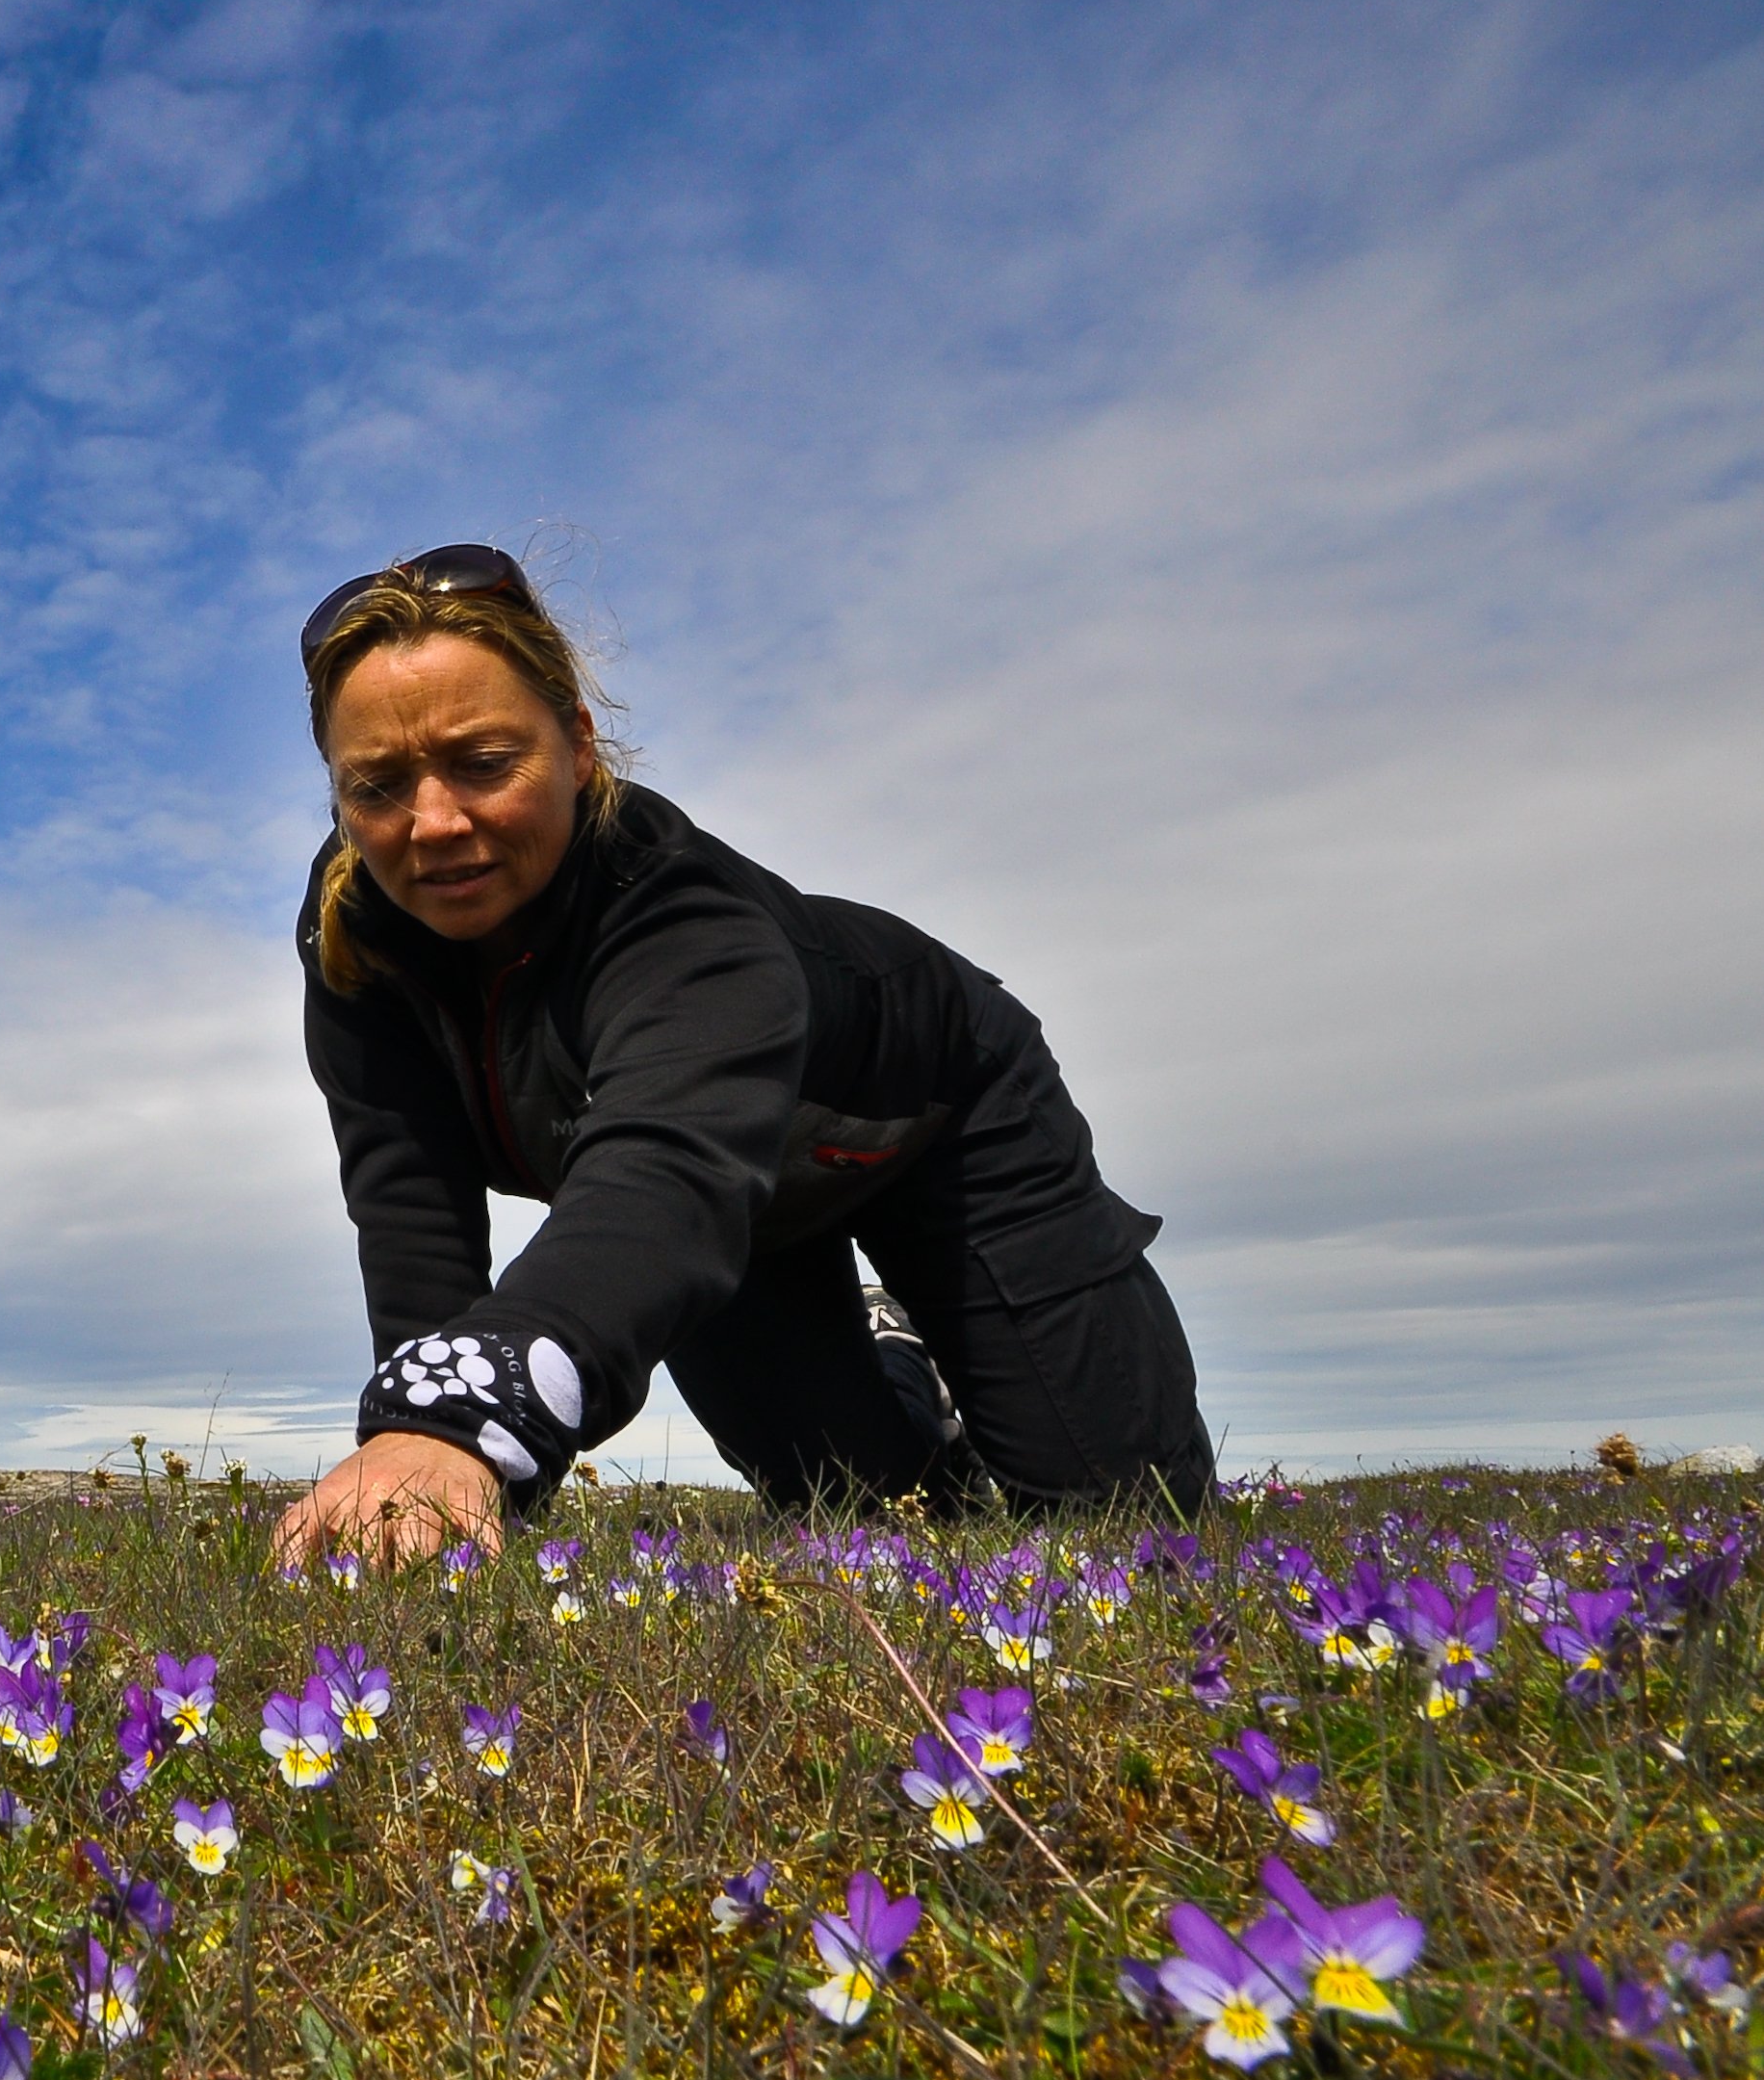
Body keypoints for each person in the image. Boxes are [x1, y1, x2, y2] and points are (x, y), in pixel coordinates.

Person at [267, 545, 1216, 1568]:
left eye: (485, 763)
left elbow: (663, 1170)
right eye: (378, 786)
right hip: (740, 1215)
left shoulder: (678, 912)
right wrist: (430, 1467)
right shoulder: (356, 933)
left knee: (1131, 1533)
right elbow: (408, 1201)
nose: (435, 822)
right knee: (862, 1518)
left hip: (936, 1122)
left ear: (578, 744)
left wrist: (463, 1418)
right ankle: (897, 1362)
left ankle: (977, 1351)